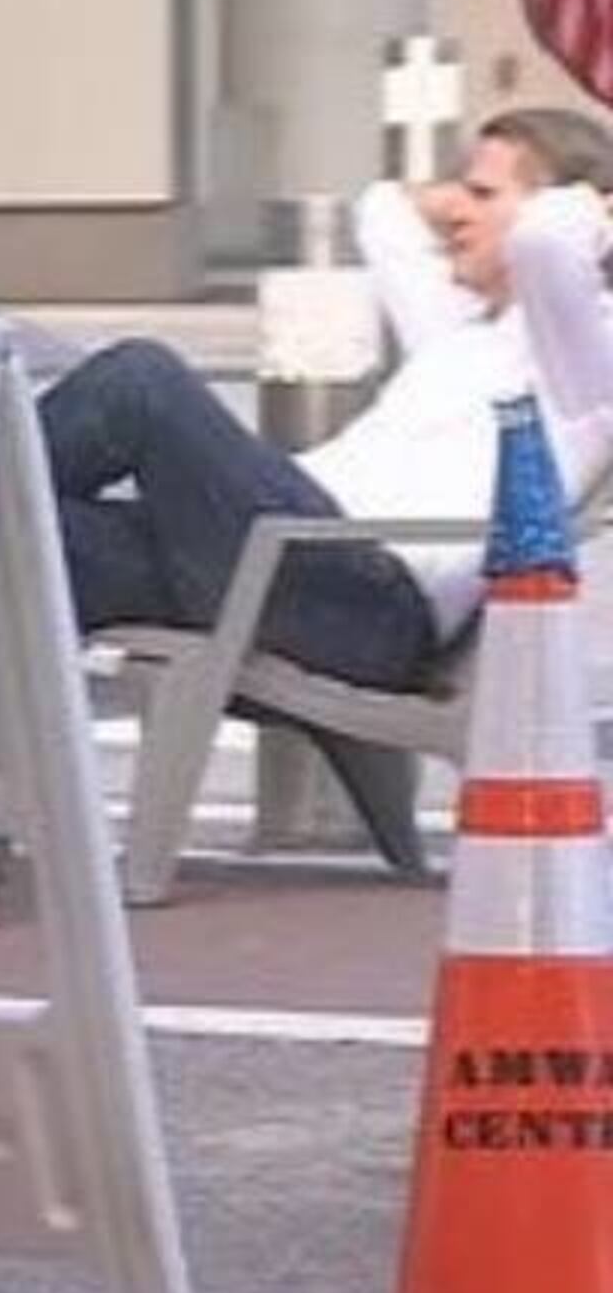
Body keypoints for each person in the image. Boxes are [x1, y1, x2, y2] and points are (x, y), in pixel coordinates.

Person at [40, 105, 613, 853]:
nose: (453, 215)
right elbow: (380, 215)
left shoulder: (586, 364)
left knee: (142, 382)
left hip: (354, 597)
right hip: (281, 560)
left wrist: (589, 205)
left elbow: (546, 243)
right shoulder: (462, 336)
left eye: (481, 195)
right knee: (24, 538)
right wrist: (454, 196)